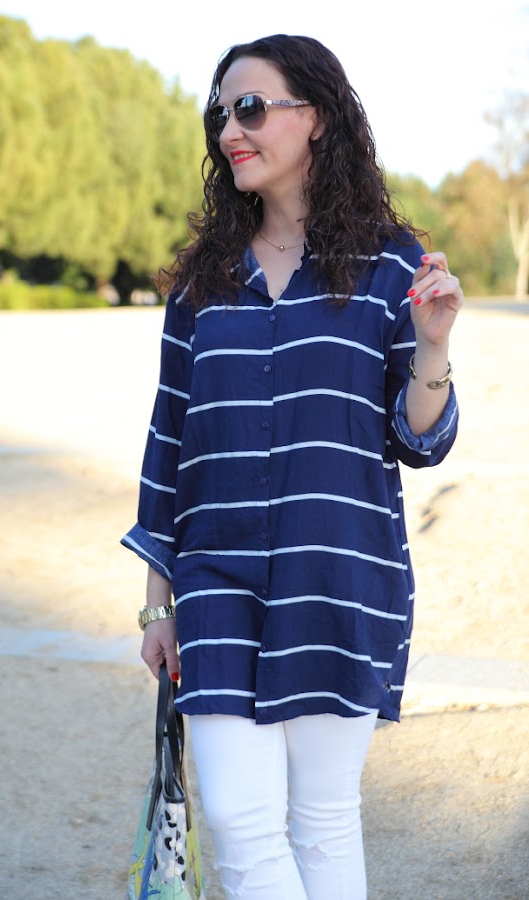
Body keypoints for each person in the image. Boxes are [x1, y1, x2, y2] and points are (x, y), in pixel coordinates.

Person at [121, 34, 463, 899]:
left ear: (315, 117)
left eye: (250, 109)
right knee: (240, 825)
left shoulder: (390, 266)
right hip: (215, 583)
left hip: (338, 577)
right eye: (220, 115)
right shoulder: (200, 286)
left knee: (323, 819)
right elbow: (169, 445)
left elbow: (421, 439)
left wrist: (432, 347)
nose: (229, 131)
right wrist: (157, 604)